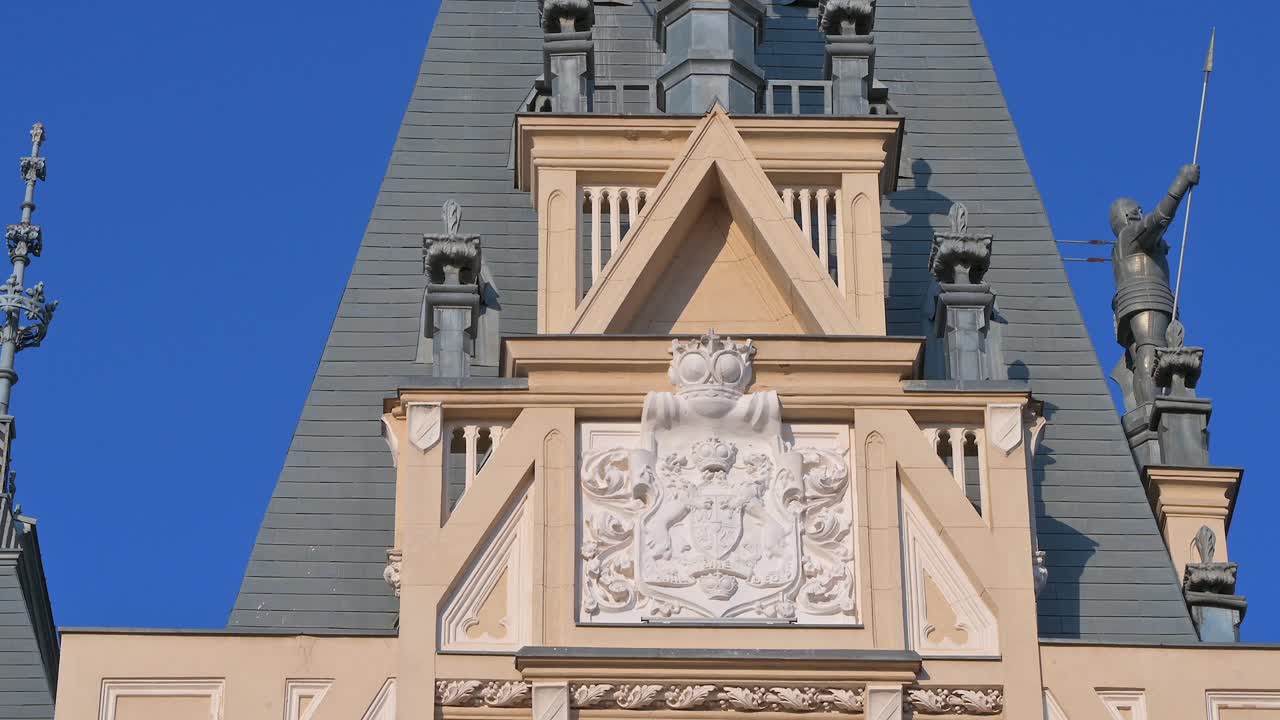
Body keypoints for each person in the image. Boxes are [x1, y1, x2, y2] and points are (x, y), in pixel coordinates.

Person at [1111, 163, 1200, 407]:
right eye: (1138, 211)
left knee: (1143, 355)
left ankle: (1146, 406)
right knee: (1152, 351)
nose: (1142, 214)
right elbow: (1160, 218)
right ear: (1129, 216)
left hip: (1133, 304)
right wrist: (1182, 181)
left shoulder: (1123, 246)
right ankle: (1151, 407)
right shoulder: (1130, 236)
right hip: (1147, 299)